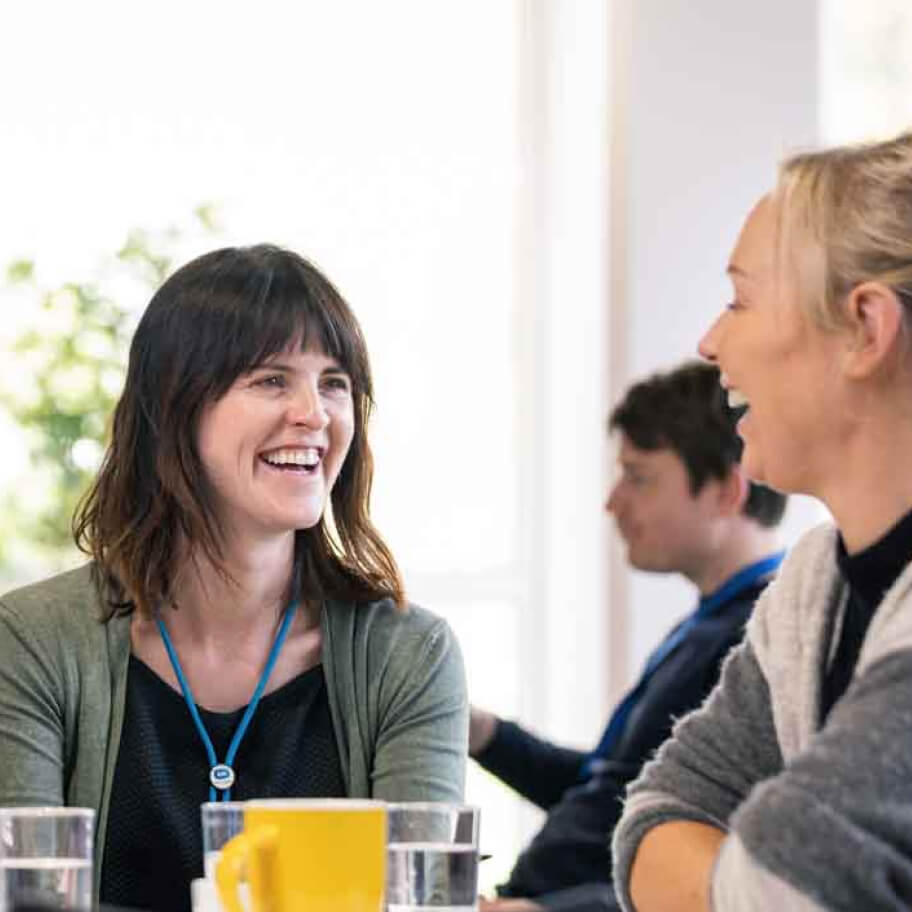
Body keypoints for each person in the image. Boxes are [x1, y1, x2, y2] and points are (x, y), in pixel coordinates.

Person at [0, 245, 468, 912]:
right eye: (272, 380)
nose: (315, 413)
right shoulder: (34, 639)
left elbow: (418, 907)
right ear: (174, 409)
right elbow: (22, 903)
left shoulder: (409, 653)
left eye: (334, 382)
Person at [612, 132, 912, 912]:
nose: (711, 342)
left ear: (866, 331)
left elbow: (783, 882)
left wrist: (737, 879)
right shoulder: (814, 583)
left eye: (741, 300)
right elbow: (656, 812)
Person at [471, 361, 787, 912]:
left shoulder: (763, 639)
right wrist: (485, 734)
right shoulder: (708, 625)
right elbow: (612, 792)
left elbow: (722, 863)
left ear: (726, 493)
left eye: (639, 478)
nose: (613, 502)